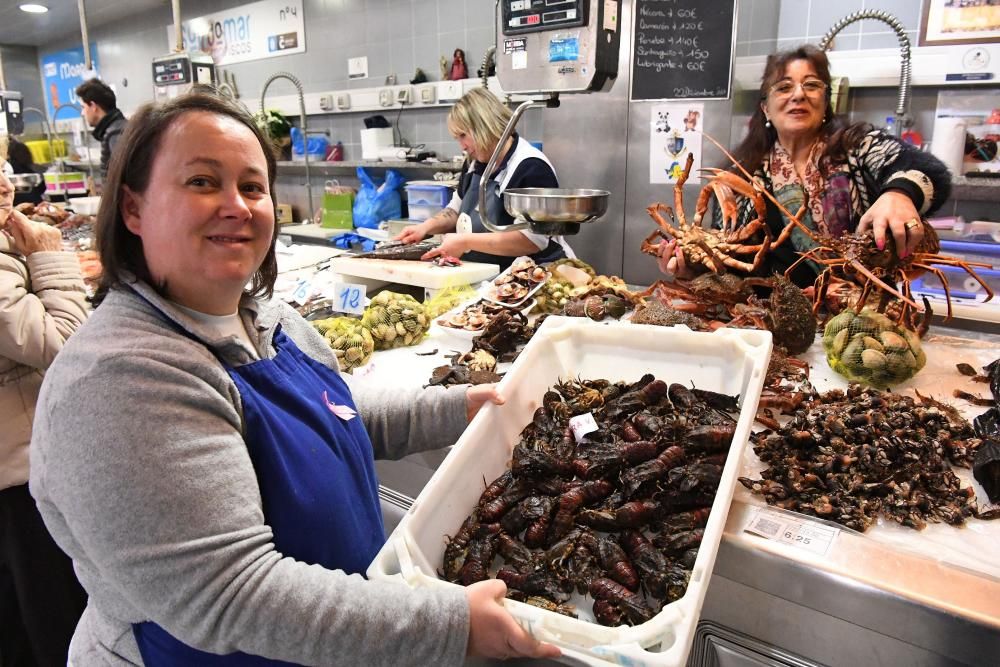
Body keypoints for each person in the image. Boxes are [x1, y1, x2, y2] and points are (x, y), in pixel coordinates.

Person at [28, 92, 561, 666]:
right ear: (133, 209)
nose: (236, 205)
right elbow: (234, 594)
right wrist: (446, 626)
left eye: (253, 187)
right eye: (203, 182)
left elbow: (335, 412)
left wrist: (462, 406)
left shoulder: (265, 316)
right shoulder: (118, 382)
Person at [656, 44, 951, 287]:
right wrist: (689, 270)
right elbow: (729, 269)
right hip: (771, 321)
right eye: (784, 87)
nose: (798, 94)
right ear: (765, 107)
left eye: (811, 85)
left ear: (825, 102)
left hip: (857, 315)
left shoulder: (860, 146)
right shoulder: (739, 175)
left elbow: (932, 172)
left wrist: (899, 194)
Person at [0, 138, 88, 666]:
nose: (4, 181)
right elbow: (66, 341)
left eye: (2, 164)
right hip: (18, 478)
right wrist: (48, 257)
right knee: (54, 620)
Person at [396, 88, 573, 270]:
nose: (462, 146)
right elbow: (456, 210)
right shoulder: (475, 162)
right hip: (488, 274)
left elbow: (532, 241)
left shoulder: (531, 167)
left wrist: (465, 242)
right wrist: (425, 228)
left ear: (485, 125)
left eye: (463, 135)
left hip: (536, 275)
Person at [75, 77, 128, 179]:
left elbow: (126, 179)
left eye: (83, 107)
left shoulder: (116, 133)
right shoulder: (114, 129)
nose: (82, 113)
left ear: (93, 106)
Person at [6, 138, 47, 205]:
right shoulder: (32, 169)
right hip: (35, 202)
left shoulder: (7, 168)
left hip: (15, 204)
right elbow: (42, 188)